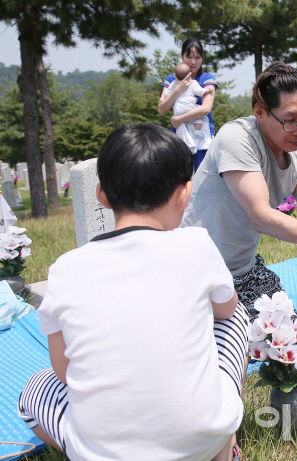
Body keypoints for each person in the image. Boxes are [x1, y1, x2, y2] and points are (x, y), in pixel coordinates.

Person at [17, 124, 248, 461]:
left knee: (35, 389)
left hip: (102, 453)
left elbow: (66, 372)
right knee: (236, 315)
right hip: (202, 442)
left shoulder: (64, 269)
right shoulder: (196, 243)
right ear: (185, 193)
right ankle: (224, 445)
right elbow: (226, 311)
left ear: (101, 195)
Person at [181, 62, 297, 323]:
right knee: (223, 354)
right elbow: (261, 217)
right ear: (260, 111)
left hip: (243, 270)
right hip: (193, 273)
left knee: (289, 343)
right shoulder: (237, 138)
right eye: (291, 121)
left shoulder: (295, 152)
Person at [159, 39, 217, 172]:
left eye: (197, 57)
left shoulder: (207, 79)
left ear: (202, 58)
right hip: (180, 136)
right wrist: (178, 89)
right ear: (182, 56)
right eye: (189, 57)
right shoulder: (172, 80)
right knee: (179, 179)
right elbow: (162, 109)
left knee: (200, 178)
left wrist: (179, 119)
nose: (193, 61)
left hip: (202, 136)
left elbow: (205, 108)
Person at [166, 63, 209, 153]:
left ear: (175, 75)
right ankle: (197, 130)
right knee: (199, 113)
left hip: (178, 110)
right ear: (189, 74)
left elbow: (167, 94)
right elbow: (200, 92)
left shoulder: (173, 83)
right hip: (189, 108)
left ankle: (188, 144)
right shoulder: (193, 83)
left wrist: (163, 98)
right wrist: (208, 90)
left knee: (182, 126)